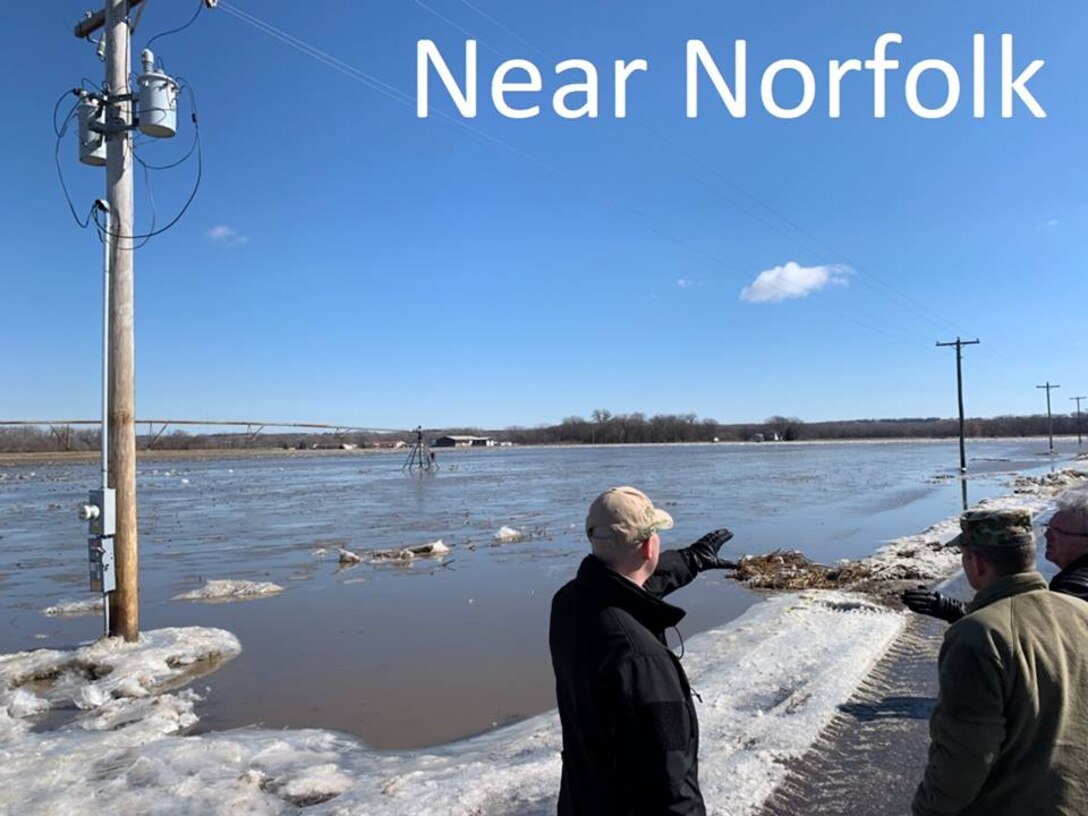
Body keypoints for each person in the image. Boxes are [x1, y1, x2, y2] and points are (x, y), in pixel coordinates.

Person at [549, 486, 736, 815]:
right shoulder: (642, 660)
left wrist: (690, 560)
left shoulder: (569, 603)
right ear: (651, 546)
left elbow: (629, 588)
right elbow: (672, 784)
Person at [912, 508, 1088, 816]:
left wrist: (928, 809)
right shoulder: (1079, 612)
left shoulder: (975, 636)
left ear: (976, 563)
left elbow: (964, 758)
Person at [903, 490, 1088, 621]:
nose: (1047, 535)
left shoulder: (1075, 588)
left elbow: (1025, 629)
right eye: (1048, 527)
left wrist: (955, 610)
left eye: (1058, 531)